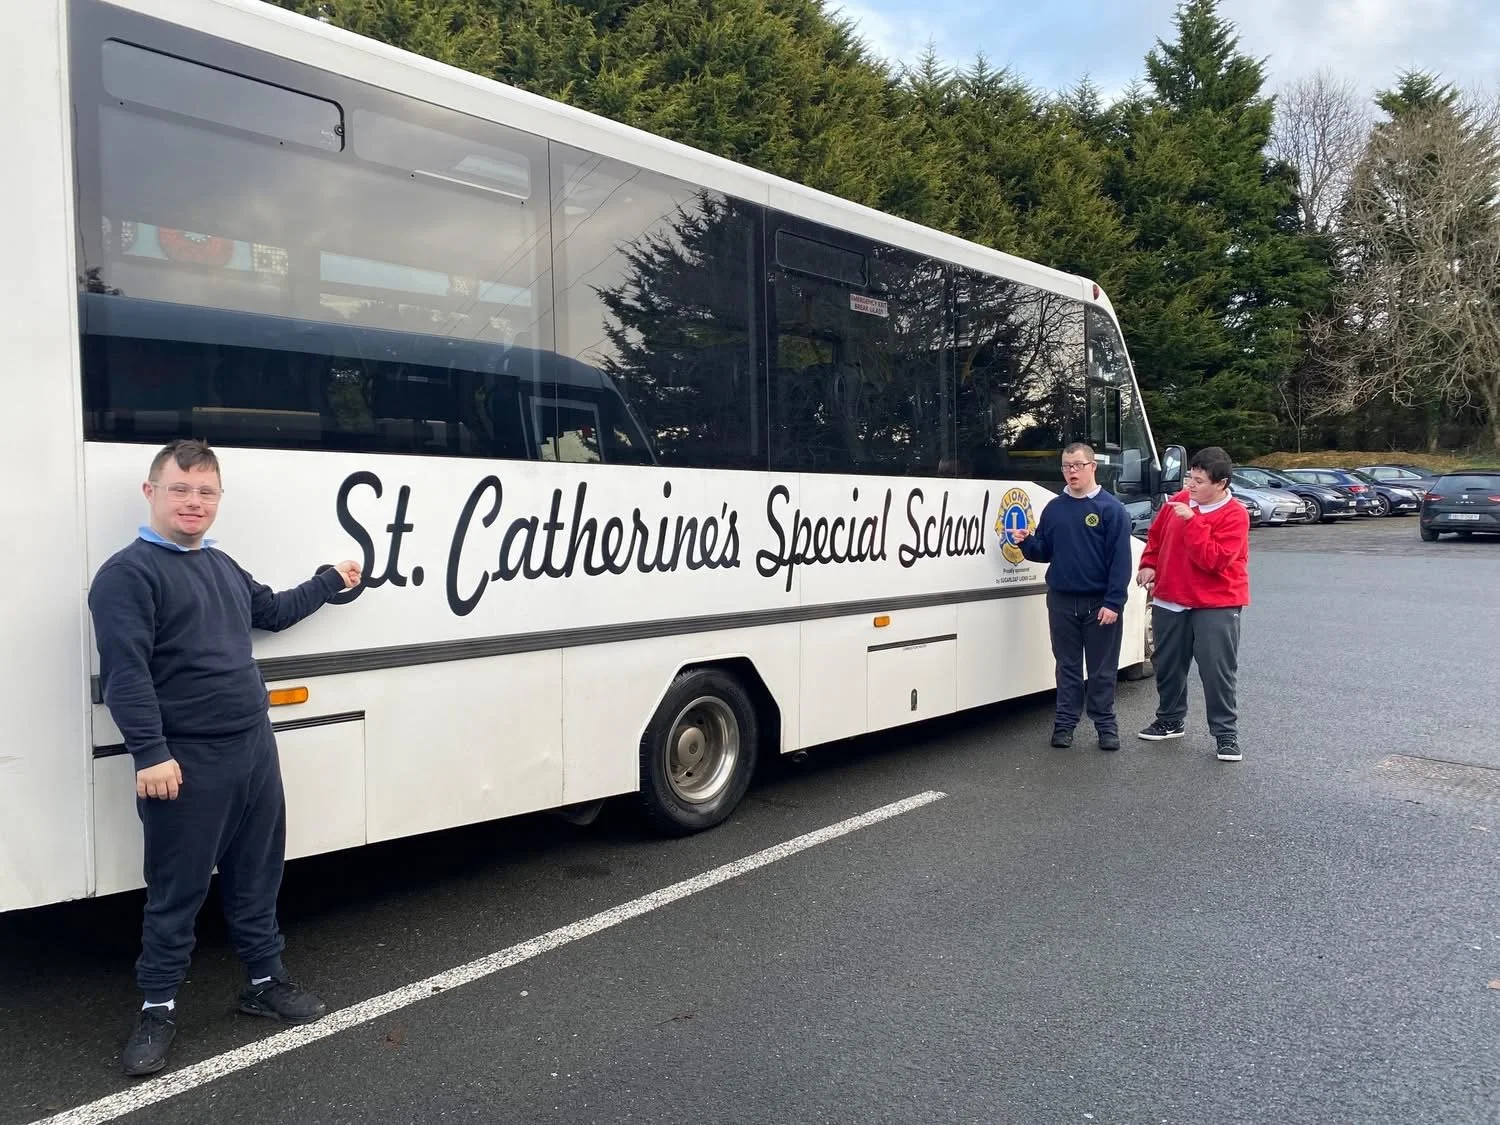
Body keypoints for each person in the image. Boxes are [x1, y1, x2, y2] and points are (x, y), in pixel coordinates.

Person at [88, 439, 362, 1077]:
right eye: (180, 489)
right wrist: (150, 753)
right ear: (151, 493)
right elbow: (125, 675)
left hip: (253, 747)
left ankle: (264, 982)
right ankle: (157, 1009)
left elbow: (272, 612)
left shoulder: (221, 564)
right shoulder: (127, 575)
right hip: (187, 760)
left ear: (217, 499)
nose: (194, 502)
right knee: (177, 890)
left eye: (205, 491)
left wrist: (328, 582)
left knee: (257, 874)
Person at [1012, 442, 1133, 751]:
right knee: (1067, 667)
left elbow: (1120, 561)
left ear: (1093, 467)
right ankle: (1064, 725)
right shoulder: (1055, 508)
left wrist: (1114, 602)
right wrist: (1026, 543)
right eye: (1066, 466)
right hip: (1062, 601)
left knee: (1101, 670)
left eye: (1078, 465)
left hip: (1100, 603)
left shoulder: (1111, 509)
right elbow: (1044, 551)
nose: (1071, 472)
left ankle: (1106, 727)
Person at [1134, 445, 1250, 761]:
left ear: (1221, 484)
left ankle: (1225, 734)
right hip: (1171, 598)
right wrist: (1149, 564)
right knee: (1167, 664)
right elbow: (1156, 537)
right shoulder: (1178, 501)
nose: (1190, 486)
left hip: (1216, 603)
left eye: (1199, 481)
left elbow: (1215, 561)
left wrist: (1193, 521)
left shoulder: (1235, 515)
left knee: (1217, 670)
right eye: (1189, 478)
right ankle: (1170, 720)